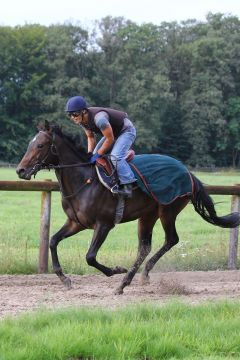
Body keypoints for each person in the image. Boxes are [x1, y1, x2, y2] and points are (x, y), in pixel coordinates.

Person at [65, 96, 137, 197]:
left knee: (115, 156)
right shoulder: (82, 121)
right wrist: (90, 155)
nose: (73, 117)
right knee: (93, 156)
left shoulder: (100, 119)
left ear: (84, 112)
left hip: (126, 131)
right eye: (70, 115)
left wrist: (98, 154)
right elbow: (90, 137)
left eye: (75, 114)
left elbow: (110, 139)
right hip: (113, 133)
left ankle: (128, 185)